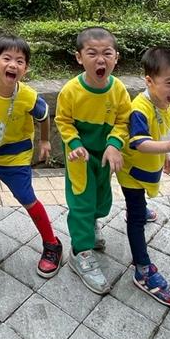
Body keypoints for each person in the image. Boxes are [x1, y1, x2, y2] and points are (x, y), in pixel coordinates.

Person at [0, 35, 62, 276]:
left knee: (28, 199)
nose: (13, 64)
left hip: (15, 160)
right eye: (7, 58)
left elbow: (44, 116)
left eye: (20, 61)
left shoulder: (28, 97)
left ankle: (52, 244)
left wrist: (44, 140)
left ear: (26, 68)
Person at [55, 27, 131, 294]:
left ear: (116, 57)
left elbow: (123, 120)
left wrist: (114, 144)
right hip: (80, 157)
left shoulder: (118, 89)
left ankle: (91, 225)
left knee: (101, 198)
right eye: (92, 53)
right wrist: (75, 144)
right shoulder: (71, 91)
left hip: (104, 155)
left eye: (107, 53)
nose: (101, 60)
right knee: (81, 202)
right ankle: (81, 252)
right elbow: (63, 120)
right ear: (79, 57)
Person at [119, 47, 170, 307]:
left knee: (140, 205)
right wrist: (166, 147)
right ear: (149, 81)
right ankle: (142, 270)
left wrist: (166, 154)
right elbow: (139, 142)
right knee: (136, 218)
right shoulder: (140, 109)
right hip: (132, 172)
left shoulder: (168, 103)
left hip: (149, 165)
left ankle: (139, 208)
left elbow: (162, 131)